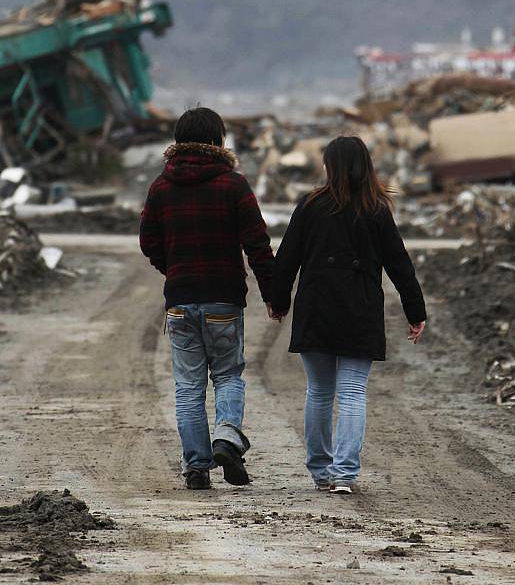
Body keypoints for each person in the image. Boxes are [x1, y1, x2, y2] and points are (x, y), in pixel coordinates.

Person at [271, 136, 426, 494]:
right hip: (360, 309)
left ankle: (321, 471)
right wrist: (415, 311)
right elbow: (400, 265)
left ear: (330, 166)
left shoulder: (310, 206)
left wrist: (278, 302)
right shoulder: (377, 210)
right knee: (353, 392)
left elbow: (287, 259)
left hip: (317, 308)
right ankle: (344, 473)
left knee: (320, 392)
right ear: (366, 166)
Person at [140, 107, 278, 490]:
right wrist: (274, 295)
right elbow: (258, 244)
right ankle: (227, 438)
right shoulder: (233, 185)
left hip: (181, 301)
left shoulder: (161, 187)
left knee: (187, 386)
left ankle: (196, 467)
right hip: (223, 300)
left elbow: (148, 241)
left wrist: (174, 270)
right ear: (218, 140)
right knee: (229, 374)